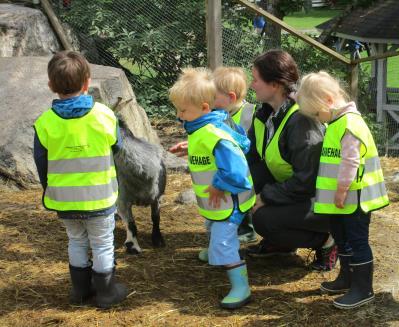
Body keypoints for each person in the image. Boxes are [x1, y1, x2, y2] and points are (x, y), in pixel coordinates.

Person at [33, 50, 128, 308]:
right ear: (87, 83)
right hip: (100, 198)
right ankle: (106, 293)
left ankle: (80, 292)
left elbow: (42, 163)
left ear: (51, 85)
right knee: (102, 243)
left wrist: (50, 189)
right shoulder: (104, 115)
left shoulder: (44, 122)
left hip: (64, 200)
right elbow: (117, 147)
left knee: (76, 240)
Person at [297, 71, 389, 309]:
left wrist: (340, 190)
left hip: (354, 198)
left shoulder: (349, 123)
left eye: (317, 113)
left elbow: (351, 161)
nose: (318, 118)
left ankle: (363, 288)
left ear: (328, 100)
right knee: (341, 237)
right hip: (340, 201)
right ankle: (347, 278)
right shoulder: (336, 121)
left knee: (357, 241)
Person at [169, 67, 256, 309]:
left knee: (224, 242)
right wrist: (190, 148)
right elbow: (210, 151)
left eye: (183, 110)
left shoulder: (212, 133)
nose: (179, 115)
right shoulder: (201, 129)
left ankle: (241, 287)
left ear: (205, 108)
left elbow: (237, 172)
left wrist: (219, 186)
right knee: (212, 226)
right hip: (218, 204)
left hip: (230, 201)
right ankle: (215, 250)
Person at [246, 50, 337, 271]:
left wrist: (266, 197)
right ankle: (283, 242)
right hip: (296, 193)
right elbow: (251, 158)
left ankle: (328, 241)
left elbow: (308, 180)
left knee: (263, 219)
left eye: (256, 79)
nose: (251, 85)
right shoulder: (265, 115)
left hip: (324, 201)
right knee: (249, 182)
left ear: (275, 84)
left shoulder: (301, 120)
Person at [212, 66, 257, 243]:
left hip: (244, 169)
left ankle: (246, 231)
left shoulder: (249, 114)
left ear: (231, 97)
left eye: (214, 96)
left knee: (242, 200)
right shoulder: (221, 114)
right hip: (229, 168)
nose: (210, 100)